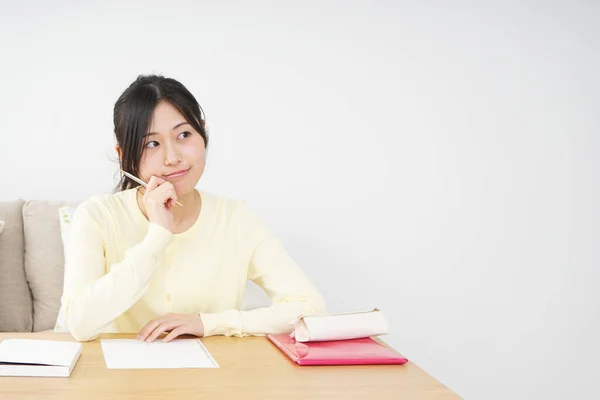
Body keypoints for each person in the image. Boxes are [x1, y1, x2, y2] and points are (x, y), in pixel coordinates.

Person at [56, 75, 326, 342]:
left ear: (203, 133)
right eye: (152, 143)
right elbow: (80, 324)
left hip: (212, 379)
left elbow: (310, 308)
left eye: (184, 135)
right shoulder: (97, 215)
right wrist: (158, 235)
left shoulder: (235, 218)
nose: (173, 158)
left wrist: (208, 323)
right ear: (124, 155)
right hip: (117, 378)